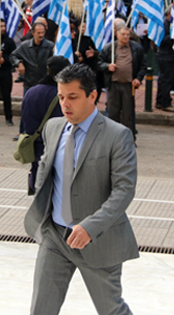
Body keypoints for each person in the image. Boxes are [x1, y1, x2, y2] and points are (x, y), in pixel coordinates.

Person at [24, 63, 139, 315]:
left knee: (112, 310)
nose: (65, 104)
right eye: (61, 97)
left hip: (98, 240)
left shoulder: (117, 135)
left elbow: (124, 190)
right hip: (55, 236)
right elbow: (44, 170)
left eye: (73, 97)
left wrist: (91, 227)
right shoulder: (53, 127)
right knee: (40, 310)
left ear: (93, 96)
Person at [20, 56, 71, 195]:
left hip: (36, 145)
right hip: (59, 146)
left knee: (38, 180)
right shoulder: (64, 97)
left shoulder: (31, 92)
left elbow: (26, 120)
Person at [99, 25, 147, 139]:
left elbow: (143, 65)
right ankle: (111, 138)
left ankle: (129, 138)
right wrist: (107, 66)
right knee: (112, 113)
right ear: (117, 35)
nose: (125, 37)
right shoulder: (109, 48)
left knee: (128, 114)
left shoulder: (136, 48)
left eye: (127, 35)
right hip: (113, 85)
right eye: (123, 34)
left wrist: (138, 78)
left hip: (128, 86)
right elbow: (99, 63)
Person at [11, 22, 54, 93]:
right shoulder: (25, 46)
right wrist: (19, 63)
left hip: (44, 83)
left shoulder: (50, 46)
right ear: (33, 33)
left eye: (42, 32)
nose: (41, 35)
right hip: (29, 83)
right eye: (38, 33)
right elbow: (13, 56)